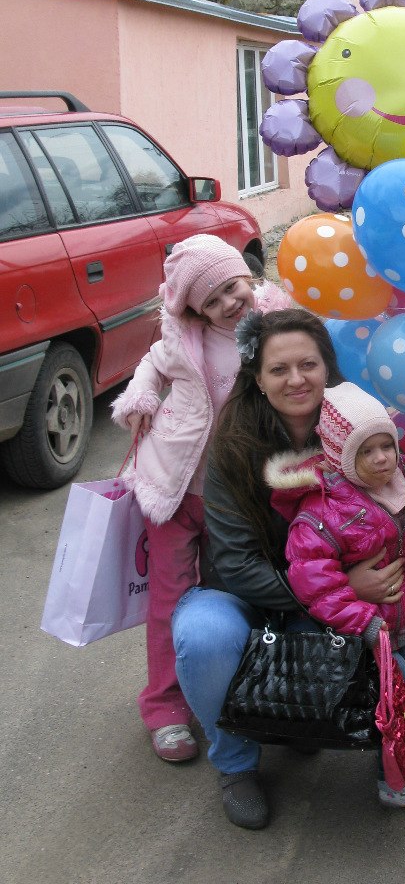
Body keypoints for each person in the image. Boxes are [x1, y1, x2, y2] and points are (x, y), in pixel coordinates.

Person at [172, 307, 405, 829]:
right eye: (278, 369)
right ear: (258, 379)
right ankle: (236, 764)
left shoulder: (360, 426)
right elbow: (236, 564)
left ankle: (320, 733)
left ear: (327, 367)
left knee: (395, 686)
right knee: (202, 635)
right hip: (251, 595)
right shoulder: (234, 445)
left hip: (336, 603)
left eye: (308, 364)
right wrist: (342, 588)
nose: (296, 379)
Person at [111, 234, 291, 763]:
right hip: (176, 488)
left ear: (247, 275)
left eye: (232, 288)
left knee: (232, 592)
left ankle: (240, 688)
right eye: (212, 301)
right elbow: (152, 363)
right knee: (170, 598)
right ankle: (164, 707)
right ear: (196, 310)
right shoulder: (185, 336)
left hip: (238, 495)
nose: (229, 304)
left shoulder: (277, 319)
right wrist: (141, 396)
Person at [268, 380, 405, 814]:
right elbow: (315, 582)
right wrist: (362, 623)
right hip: (362, 635)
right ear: (341, 456)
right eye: (366, 451)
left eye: (387, 445)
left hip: (400, 627)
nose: (382, 458)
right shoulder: (324, 511)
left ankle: (391, 773)